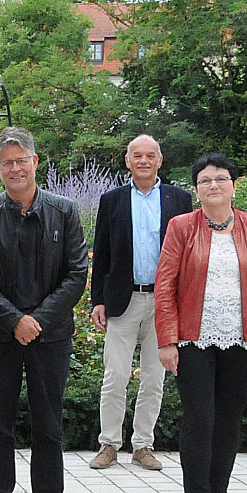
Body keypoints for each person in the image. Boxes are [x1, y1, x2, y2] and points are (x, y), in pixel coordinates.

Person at [0, 126, 89, 493]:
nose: (15, 168)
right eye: (6, 163)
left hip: (50, 336)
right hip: (0, 337)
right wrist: (14, 320)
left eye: (22, 160)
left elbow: (76, 273)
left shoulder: (65, 211)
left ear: (35, 162)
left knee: (48, 423)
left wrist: (39, 320)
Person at [153, 154, 247, 493]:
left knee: (227, 420)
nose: (213, 185)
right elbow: (165, 287)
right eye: (205, 180)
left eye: (221, 179)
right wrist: (167, 341)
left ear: (234, 185)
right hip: (193, 338)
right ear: (196, 189)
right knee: (200, 418)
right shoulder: (181, 227)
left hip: (242, 339)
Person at [89, 134, 192, 471]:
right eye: (137, 156)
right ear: (128, 161)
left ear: (160, 161)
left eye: (150, 155)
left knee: (154, 377)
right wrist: (98, 300)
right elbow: (101, 254)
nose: (144, 161)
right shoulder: (112, 200)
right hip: (123, 299)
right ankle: (108, 444)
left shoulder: (179, 199)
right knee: (115, 375)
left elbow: (188, 255)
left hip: (164, 302)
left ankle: (143, 445)